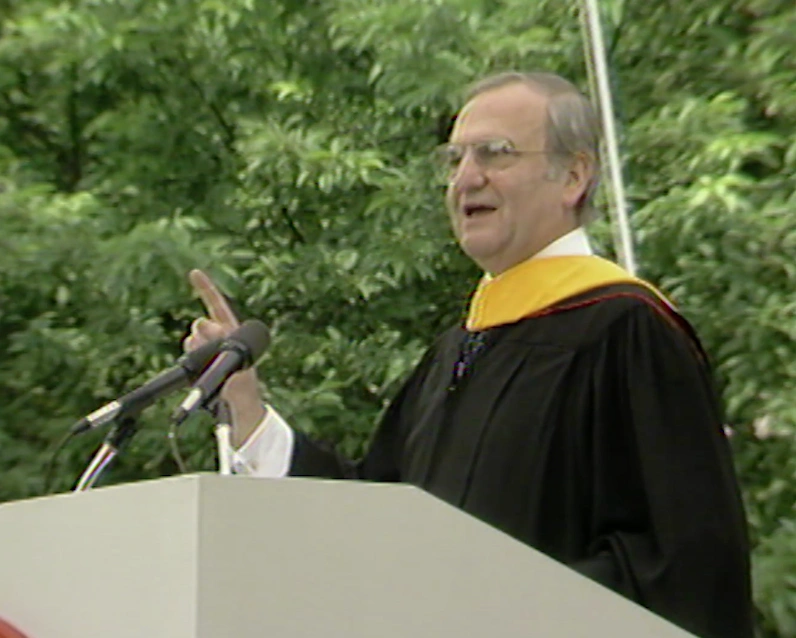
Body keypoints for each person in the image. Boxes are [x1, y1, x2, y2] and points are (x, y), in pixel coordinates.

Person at [184, 71, 754, 638]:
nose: (465, 178)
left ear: (574, 176)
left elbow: (682, 568)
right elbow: (375, 514)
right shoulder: (460, 346)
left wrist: (496, 610)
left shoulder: (626, 330)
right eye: (454, 159)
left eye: (494, 153)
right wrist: (249, 411)